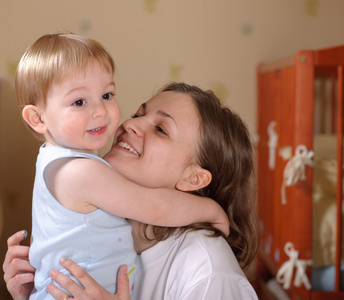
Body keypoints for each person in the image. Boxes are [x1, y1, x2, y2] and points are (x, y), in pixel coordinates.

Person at [13, 33, 229, 300]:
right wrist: (211, 210)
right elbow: (156, 207)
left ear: (194, 178)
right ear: (37, 118)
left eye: (106, 95)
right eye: (79, 102)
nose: (102, 111)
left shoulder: (209, 272)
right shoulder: (80, 172)